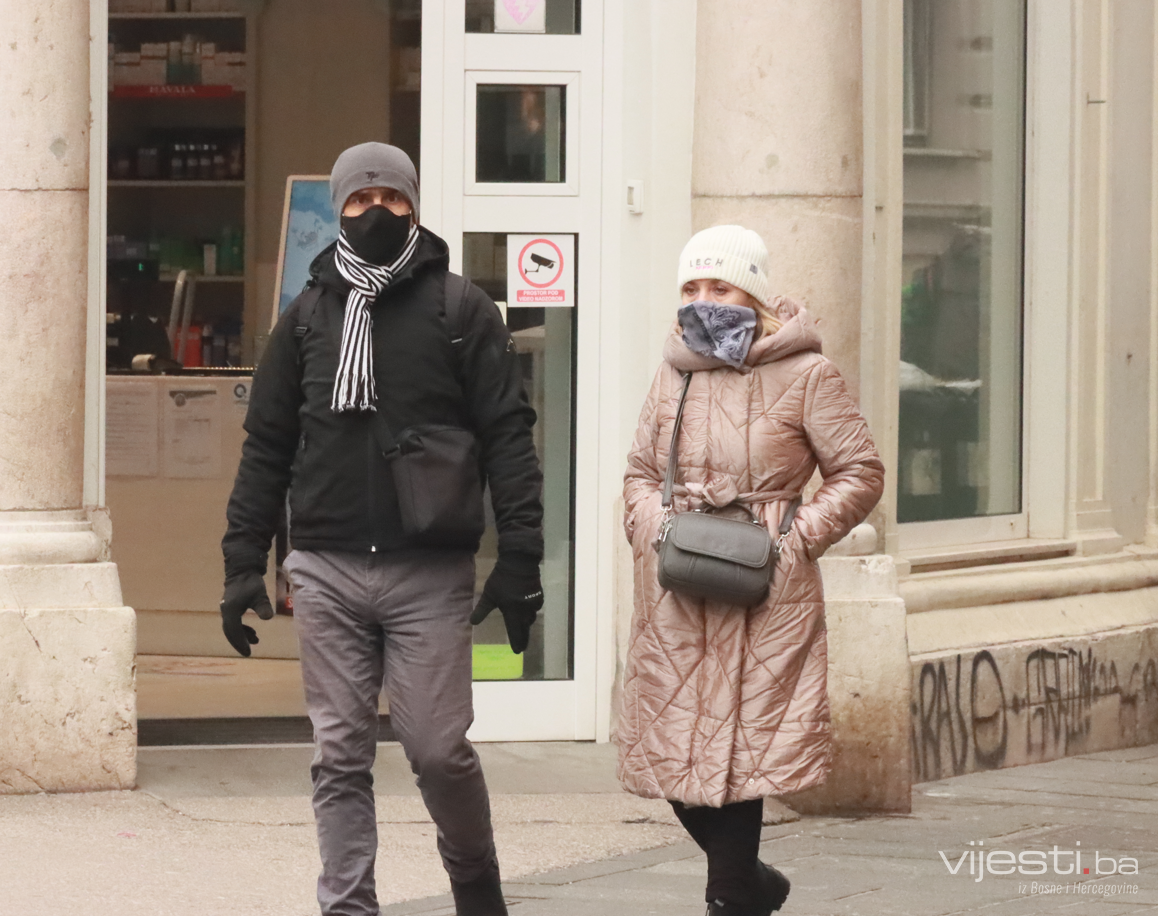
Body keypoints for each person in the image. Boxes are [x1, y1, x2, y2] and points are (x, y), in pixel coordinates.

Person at [219, 142, 545, 916]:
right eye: (360, 200)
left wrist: (520, 558)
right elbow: (266, 447)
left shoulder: (461, 311)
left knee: (438, 750)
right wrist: (242, 562)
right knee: (339, 754)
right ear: (339, 210)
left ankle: (476, 885)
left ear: (414, 207)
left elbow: (508, 437)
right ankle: (349, 906)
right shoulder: (306, 319)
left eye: (391, 199)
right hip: (325, 568)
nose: (376, 212)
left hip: (427, 571)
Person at [617, 225, 885, 915]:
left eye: (722, 286)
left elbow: (859, 472)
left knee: (739, 756)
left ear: (755, 294)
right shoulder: (674, 369)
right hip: (678, 584)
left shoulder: (808, 374)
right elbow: (640, 472)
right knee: (672, 755)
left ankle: (732, 896)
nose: (705, 300)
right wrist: (651, 527)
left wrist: (795, 539)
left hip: (766, 589)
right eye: (692, 287)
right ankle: (754, 884)